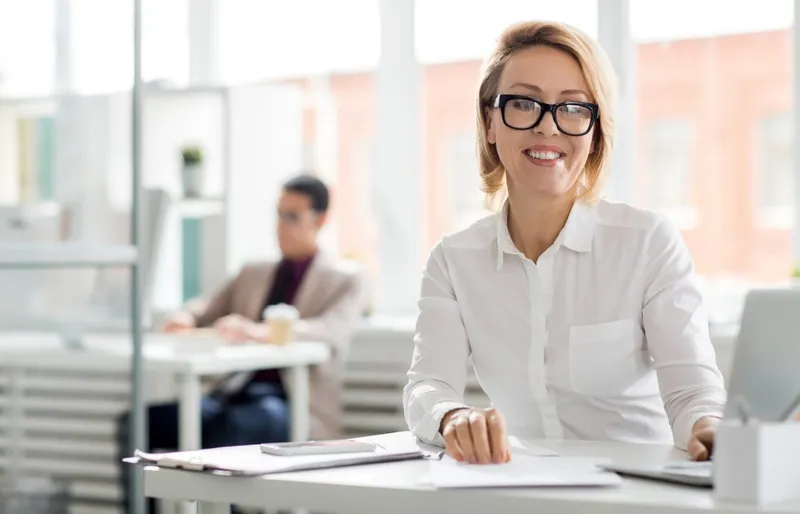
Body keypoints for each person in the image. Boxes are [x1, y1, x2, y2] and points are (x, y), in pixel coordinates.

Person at [403, 21, 726, 466]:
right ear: (489, 122)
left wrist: (709, 428)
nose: (547, 128)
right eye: (522, 103)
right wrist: (451, 416)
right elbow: (427, 385)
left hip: (636, 491)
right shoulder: (453, 261)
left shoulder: (647, 243)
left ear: (594, 134)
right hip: (520, 486)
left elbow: (693, 393)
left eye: (573, 108)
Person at [117, 173, 367, 512]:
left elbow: (330, 331)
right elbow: (205, 306)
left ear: (320, 220)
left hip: (290, 403)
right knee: (139, 422)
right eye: (278, 214)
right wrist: (186, 317)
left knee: (231, 430)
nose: (281, 225)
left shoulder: (344, 278)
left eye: (292, 216)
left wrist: (260, 330)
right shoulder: (253, 272)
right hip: (230, 393)